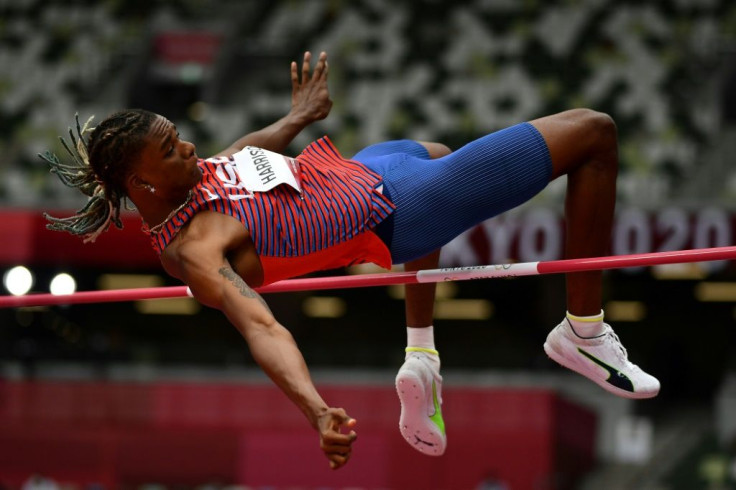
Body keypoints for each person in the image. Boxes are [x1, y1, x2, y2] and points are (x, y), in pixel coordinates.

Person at [41, 51, 660, 468]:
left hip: (370, 165)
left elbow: (241, 153)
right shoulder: (196, 248)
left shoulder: (191, 177)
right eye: (173, 149)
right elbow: (261, 326)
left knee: (440, 146)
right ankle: (582, 332)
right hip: (396, 209)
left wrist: (298, 118)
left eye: (179, 135)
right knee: (594, 132)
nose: (191, 146)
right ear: (144, 185)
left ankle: (420, 356)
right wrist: (316, 410)